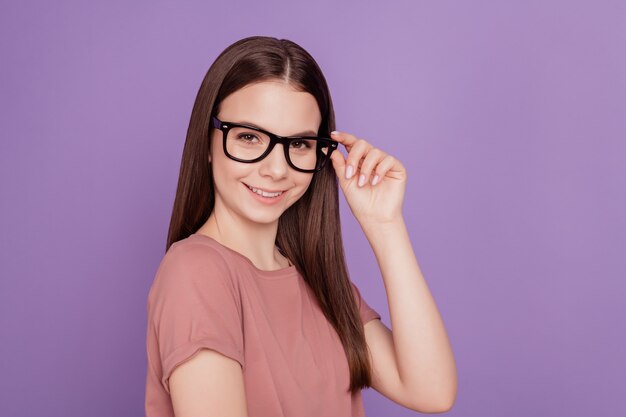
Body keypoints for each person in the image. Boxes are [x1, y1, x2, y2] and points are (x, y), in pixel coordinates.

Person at [145, 36, 457, 416]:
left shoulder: (317, 281)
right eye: (248, 137)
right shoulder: (196, 272)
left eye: (299, 145)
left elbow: (431, 390)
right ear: (207, 142)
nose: (276, 169)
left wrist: (385, 224)